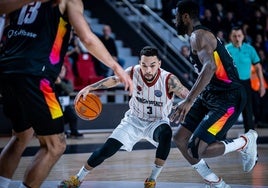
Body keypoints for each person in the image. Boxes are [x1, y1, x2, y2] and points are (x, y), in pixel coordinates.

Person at [0, 1, 133, 188]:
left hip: (7, 71)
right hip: (37, 77)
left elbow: (5, 18)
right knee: (57, 145)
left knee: (21, 135)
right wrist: (115, 66)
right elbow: (86, 37)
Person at [58, 46, 189, 188]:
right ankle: (78, 178)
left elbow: (187, 95)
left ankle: (151, 179)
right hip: (133, 120)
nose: (148, 70)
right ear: (140, 62)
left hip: (156, 122)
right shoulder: (133, 71)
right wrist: (90, 87)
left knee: (166, 133)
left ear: (159, 64)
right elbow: (114, 80)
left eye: (152, 65)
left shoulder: (169, 79)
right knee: (106, 150)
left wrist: (187, 102)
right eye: (144, 65)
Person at [170, 0, 258, 187]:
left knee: (195, 149)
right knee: (180, 139)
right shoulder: (198, 36)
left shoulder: (198, 35)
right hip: (211, 94)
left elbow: (210, 67)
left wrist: (188, 100)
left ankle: (244, 141)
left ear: (185, 16)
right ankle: (215, 182)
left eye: (176, 15)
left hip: (228, 97)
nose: (174, 19)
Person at [226, 26, 266, 133]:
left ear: (243, 36)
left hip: (245, 83)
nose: (237, 38)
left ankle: (250, 140)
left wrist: (262, 85)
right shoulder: (226, 49)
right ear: (231, 37)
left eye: (239, 36)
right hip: (231, 84)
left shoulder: (249, 49)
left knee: (248, 112)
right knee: (227, 112)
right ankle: (220, 140)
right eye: (234, 36)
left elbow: (258, 67)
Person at [55, 65, 84, 139]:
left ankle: (74, 132)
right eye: (60, 69)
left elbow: (70, 90)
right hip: (55, 106)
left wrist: (60, 83)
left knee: (73, 117)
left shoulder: (67, 81)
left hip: (66, 105)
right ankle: (59, 133)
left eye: (63, 69)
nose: (61, 71)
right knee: (57, 120)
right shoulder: (51, 81)